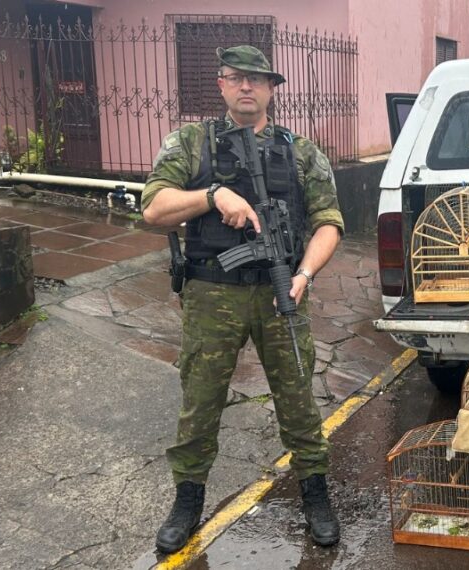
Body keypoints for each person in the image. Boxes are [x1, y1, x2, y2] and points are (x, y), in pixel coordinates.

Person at [141, 45, 343, 553]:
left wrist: (303, 273)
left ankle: (315, 492)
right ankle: (187, 499)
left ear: (273, 88)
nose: (247, 86)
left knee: (298, 399)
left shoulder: (301, 151)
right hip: (213, 294)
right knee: (201, 402)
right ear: (222, 85)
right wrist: (212, 196)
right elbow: (154, 209)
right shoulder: (191, 143)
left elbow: (328, 222)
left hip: (280, 294)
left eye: (257, 79)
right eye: (237, 78)